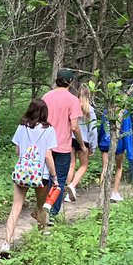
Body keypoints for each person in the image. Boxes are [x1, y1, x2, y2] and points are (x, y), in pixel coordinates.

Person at [0, 98, 58, 256]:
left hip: (23, 172)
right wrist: (55, 176)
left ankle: (6, 243)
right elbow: (48, 155)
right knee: (41, 208)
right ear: (44, 112)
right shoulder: (49, 130)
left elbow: (18, 152)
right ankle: (40, 238)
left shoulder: (21, 127)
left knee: (15, 207)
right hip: (41, 175)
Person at [41, 68, 84, 220]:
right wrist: (82, 145)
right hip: (63, 146)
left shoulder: (46, 96)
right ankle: (52, 214)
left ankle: (42, 212)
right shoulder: (73, 100)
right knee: (58, 180)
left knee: (45, 178)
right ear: (71, 82)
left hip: (45, 145)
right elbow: (74, 126)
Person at [66, 83, 97, 201]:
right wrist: (93, 147)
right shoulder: (90, 110)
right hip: (84, 141)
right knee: (84, 166)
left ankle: (67, 194)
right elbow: (93, 130)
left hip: (72, 138)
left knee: (71, 164)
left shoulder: (73, 107)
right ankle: (72, 185)